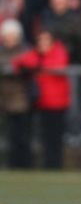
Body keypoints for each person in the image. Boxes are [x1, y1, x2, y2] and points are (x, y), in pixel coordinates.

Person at [12, 28, 70, 169]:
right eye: (40, 40)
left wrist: (35, 66)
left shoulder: (58, 51)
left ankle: (55, 166)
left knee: (55, 137)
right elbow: (17, 62)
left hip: (56, 102)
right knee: (42, 137)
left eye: (46, 40)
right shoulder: (35, 54)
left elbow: (58, 65)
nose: (43, 43)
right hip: (41, 101)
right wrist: (27, 66)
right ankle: (42, 165)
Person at [1, 19, 33, 168]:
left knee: (22, 135)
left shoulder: (25, 51)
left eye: (13, 36)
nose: (10, 39)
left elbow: (28, 65)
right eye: (7, 36)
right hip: (4, 98)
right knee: (10, 135)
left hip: (21, 98)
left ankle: (23, 165)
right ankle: (11, 164)